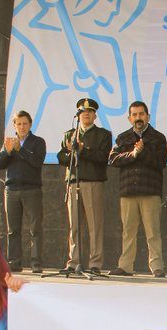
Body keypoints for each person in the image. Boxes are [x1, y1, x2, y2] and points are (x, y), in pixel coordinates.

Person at [108, 101, 167, 277]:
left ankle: (157, 266)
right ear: (129, 118)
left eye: (141, 114)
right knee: (128, 232)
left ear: (148, 116)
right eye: (134, 115)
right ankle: (125, 266)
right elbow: (113, 160)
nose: (138, 118)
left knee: (153, 232)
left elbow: (161, 162)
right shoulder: (122, 138)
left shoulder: (158, 137)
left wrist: (143, 152)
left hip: (150, 191)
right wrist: (133, 154)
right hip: (128, 191)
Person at [57, 98, 112, 275]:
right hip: (74, 182)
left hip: (93, 182)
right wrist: (72, 152)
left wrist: (83, 151)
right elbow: (61, 158)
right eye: (82, 112)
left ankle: (95, 263)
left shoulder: (103, 134)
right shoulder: (70, 134)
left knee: (94, 224)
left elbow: (102, 157)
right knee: (74, 225)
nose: (85, 114)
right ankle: (74, 262)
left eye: (89, 111)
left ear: (95, 115)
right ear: (78, 115)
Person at [0, 111, 46, 273]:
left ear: (30, 125)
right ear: (14, 126)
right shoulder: (9, 142)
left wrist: (20, 150)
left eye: (25, 123)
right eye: (19, 124)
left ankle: (36, 263)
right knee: (13, 230)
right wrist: (8, 151)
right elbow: (0, 164)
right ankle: (14, 262)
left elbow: (37, 162)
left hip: (31, 189)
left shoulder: (38, 142)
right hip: (12, 190)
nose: (22, 127)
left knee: (35, 228)